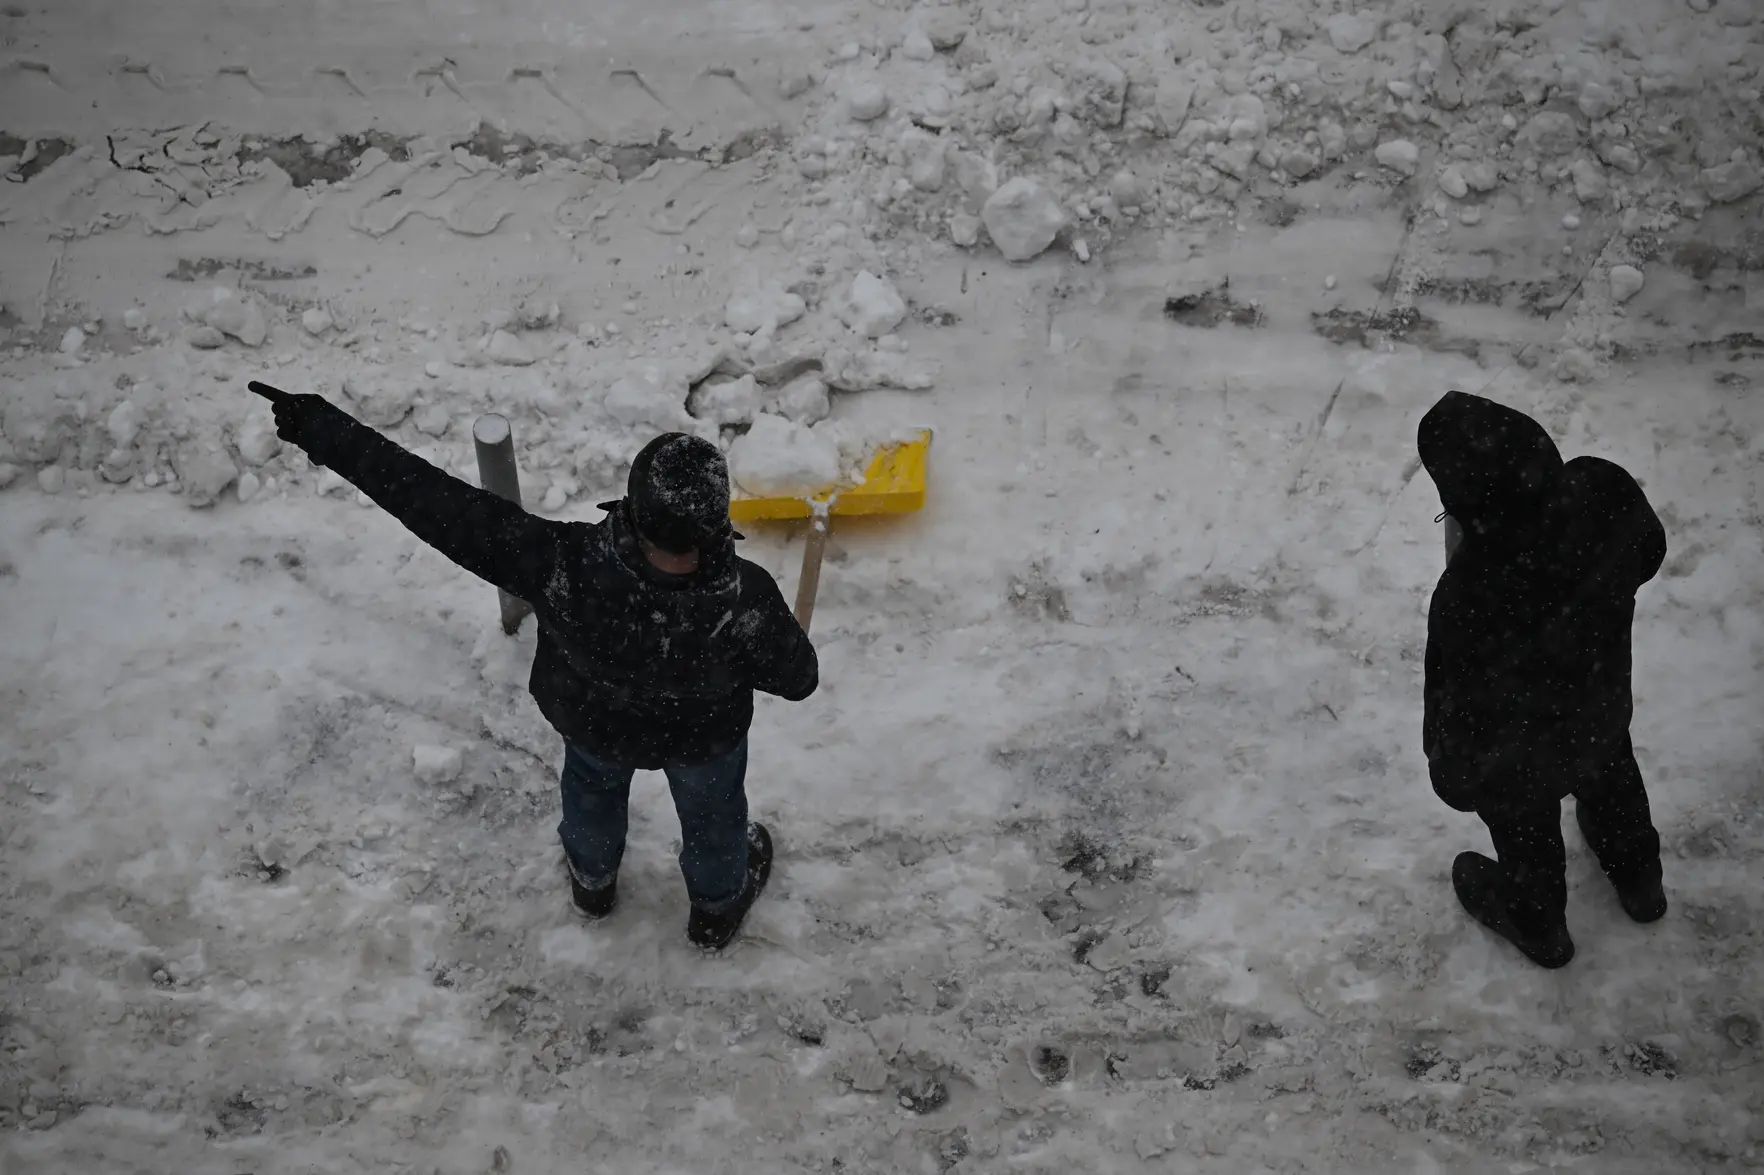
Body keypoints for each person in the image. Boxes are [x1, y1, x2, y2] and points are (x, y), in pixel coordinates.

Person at [264, 388, 818, 951]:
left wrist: (323, 429)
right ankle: (716, 910)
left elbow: (439, 506)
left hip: (595, 727)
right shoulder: (745, 602)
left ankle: (592, 883)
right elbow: (799, 681)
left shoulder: (564, 562)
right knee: (714, 815)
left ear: (634, 507)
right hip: (703, 745)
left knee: (591, 793)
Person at [1418, 390, 1668, 969]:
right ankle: (1641, 882)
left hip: (1519, 764)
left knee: (1523, 825)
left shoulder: (1468, 596)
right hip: (1600, 709)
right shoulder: (1603, 490)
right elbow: (1649, 552)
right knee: (1611, 777)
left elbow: (1454, 713)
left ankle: (1540, 926)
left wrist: (1455, 779)